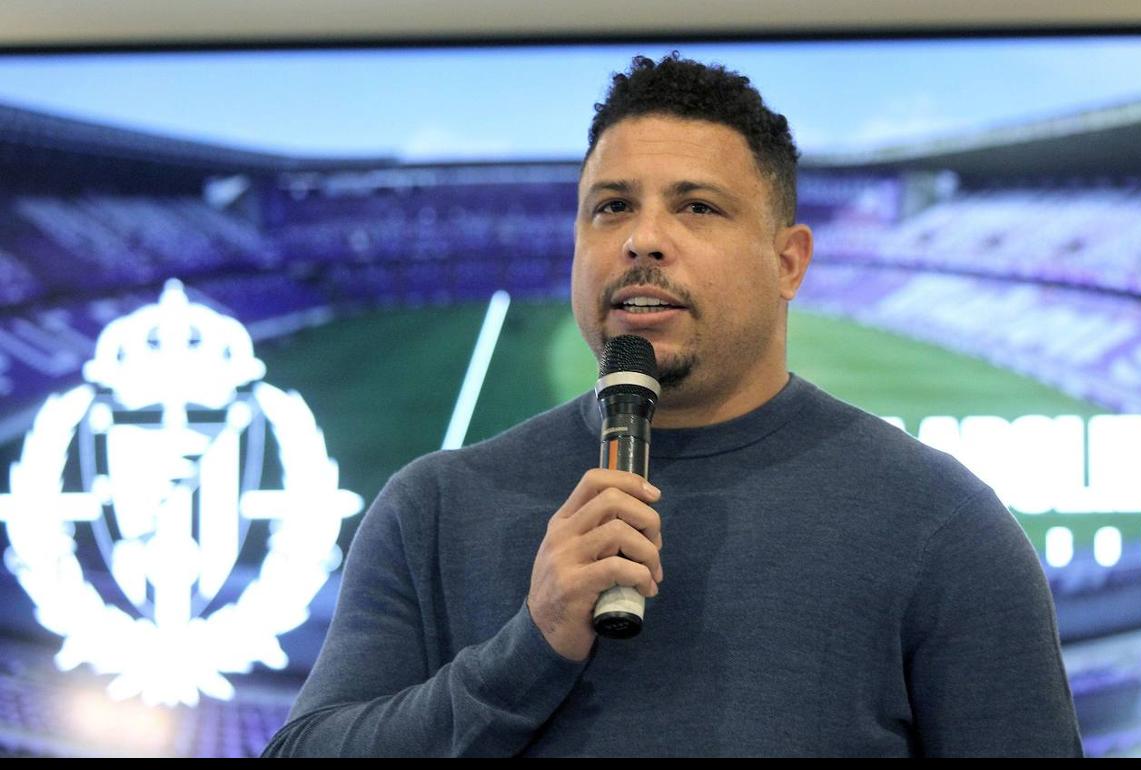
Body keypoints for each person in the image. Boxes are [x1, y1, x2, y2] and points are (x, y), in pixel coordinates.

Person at [263, 53, 1083, 757]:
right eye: (612, 206)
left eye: (697, 207)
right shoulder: (432, 510)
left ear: (789, 261)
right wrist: (530, 647)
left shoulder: (942, 525)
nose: (642, 239)